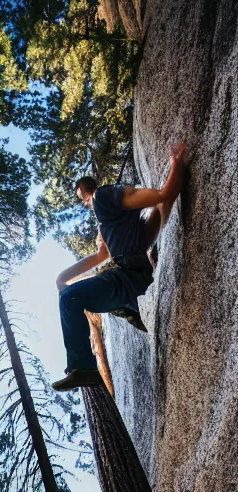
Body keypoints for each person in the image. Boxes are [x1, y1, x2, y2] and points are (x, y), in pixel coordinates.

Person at [51, 141, 187, 391]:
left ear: (85, 192)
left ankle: (84, 368)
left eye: (82, 198)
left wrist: (176, 162)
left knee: (70, 298)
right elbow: (104, 255)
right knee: (68, 295)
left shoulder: (102, 198)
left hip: (128, 277)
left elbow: (162, 196)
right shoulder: (107, 222)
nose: (84, 204)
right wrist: (63, 279)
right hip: (132, 283)